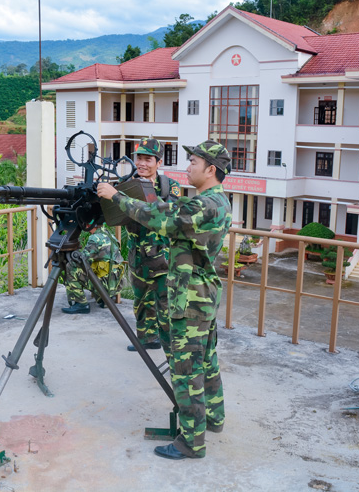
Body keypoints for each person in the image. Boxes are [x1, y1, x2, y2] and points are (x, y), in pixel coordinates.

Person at [97, 139, 232, 460]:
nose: (188, 167)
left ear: (211, 169)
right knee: (207, 361)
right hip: (200, 294)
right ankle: (214, 417)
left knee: (186, 371)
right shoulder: (211, 202)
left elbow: (165, 221)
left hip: (190, 297)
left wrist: (115, 197)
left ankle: (191, 442)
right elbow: (169, 211)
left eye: (194, 163)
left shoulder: (206, 205)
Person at [125, 137, 180, 353]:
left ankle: (173, 350)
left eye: (148, 159)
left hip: (163, 259)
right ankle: (146, 339)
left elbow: (167, 214)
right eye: (139, 158)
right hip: (138, 256)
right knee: (140, 302)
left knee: (165, 307)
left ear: (158, 162)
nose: (142, 163)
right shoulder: (128, 183)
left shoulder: (169, 186)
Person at [61, 225, 124, 314]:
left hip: (105, 286)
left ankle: (81, 304)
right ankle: (103, 298)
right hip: (114, 285)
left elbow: (82, 261)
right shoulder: (109, 235)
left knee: (71, 268)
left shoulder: (95, 238)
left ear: (88, 225)